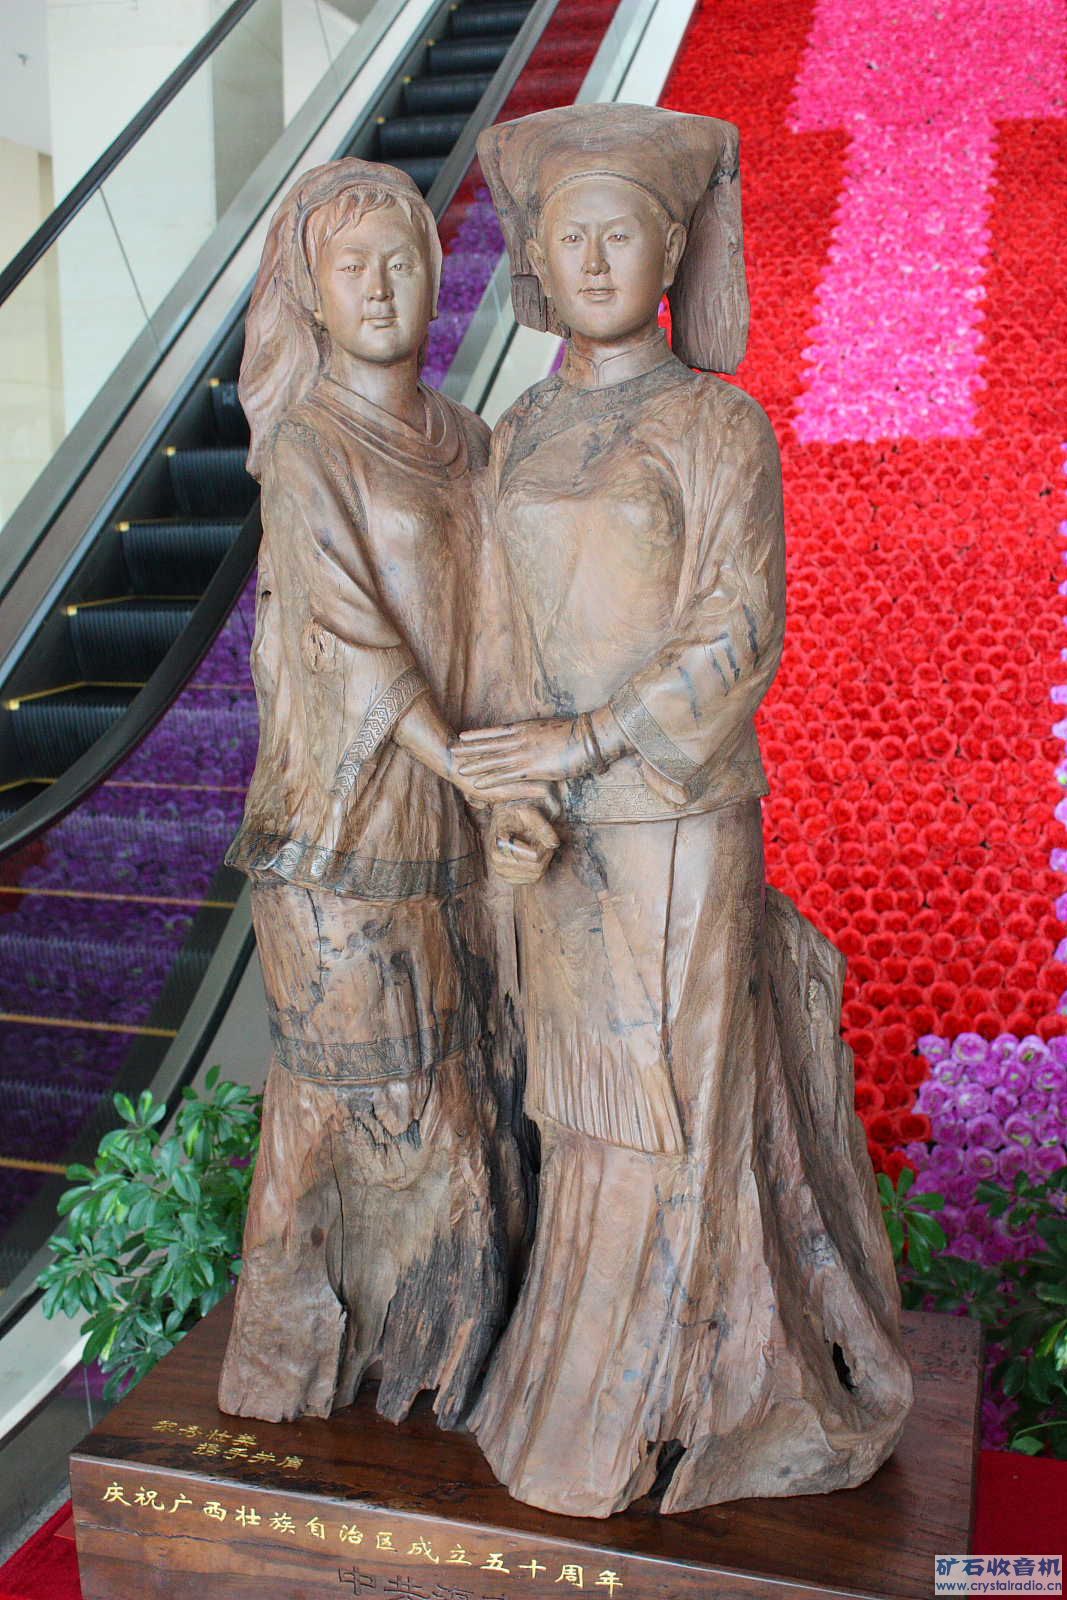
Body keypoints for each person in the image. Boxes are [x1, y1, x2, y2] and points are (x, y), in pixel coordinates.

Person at [454, 105, 915, 1515]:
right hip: (550, 831)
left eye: (621, 233)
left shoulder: (719, 425)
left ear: (668, 251)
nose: (594, 258)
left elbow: (734, 633)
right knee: (576, 1110)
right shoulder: (517, 429)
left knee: (668, 1112)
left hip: (672, 817)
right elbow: (488, 633)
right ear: (537, 260)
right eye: (569, 236)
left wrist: (583, 743)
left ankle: (677, 1401)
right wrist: (504, 794)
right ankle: (562, 1393)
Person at [217, 159, 547, 1428]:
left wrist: (511, 768)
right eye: (349, 267)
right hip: (345, 825)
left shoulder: (469, 439)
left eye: (401, 261)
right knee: (352, 1094)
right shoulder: (310, 445)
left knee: (470, 1084)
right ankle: (298, 1353)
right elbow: (343, 631)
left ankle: (456, 1350)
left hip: (460, 817)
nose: (377, 287)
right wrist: (453, 754)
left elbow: (504, 616)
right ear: (309, 292)